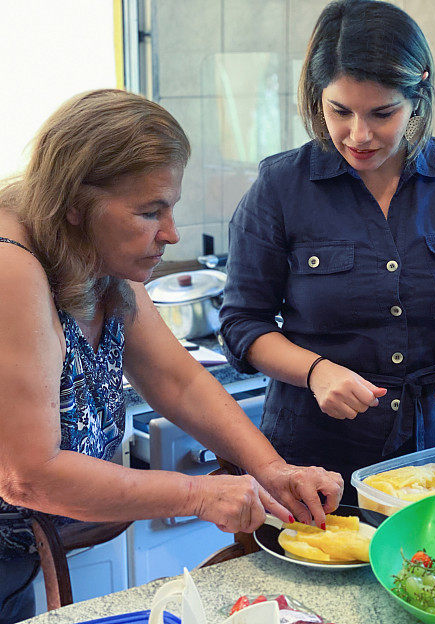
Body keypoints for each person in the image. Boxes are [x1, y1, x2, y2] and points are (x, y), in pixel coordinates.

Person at [0, 89, 343, 623]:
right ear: (72, 203)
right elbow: (28, 476)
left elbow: (177, 381)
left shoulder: (96, 253)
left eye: (172, 207)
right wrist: (198, 496)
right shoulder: (12, 269)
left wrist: (272, 471)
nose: (171, 233)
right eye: (148, 212)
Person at [220, 0, 435, 504]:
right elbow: (241, 325)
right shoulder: (281, 187)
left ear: (417, 95)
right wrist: (317, 372)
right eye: (340, 111)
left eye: (383, 113)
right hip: (316, 464)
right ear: (318, 98)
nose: (358, 135)